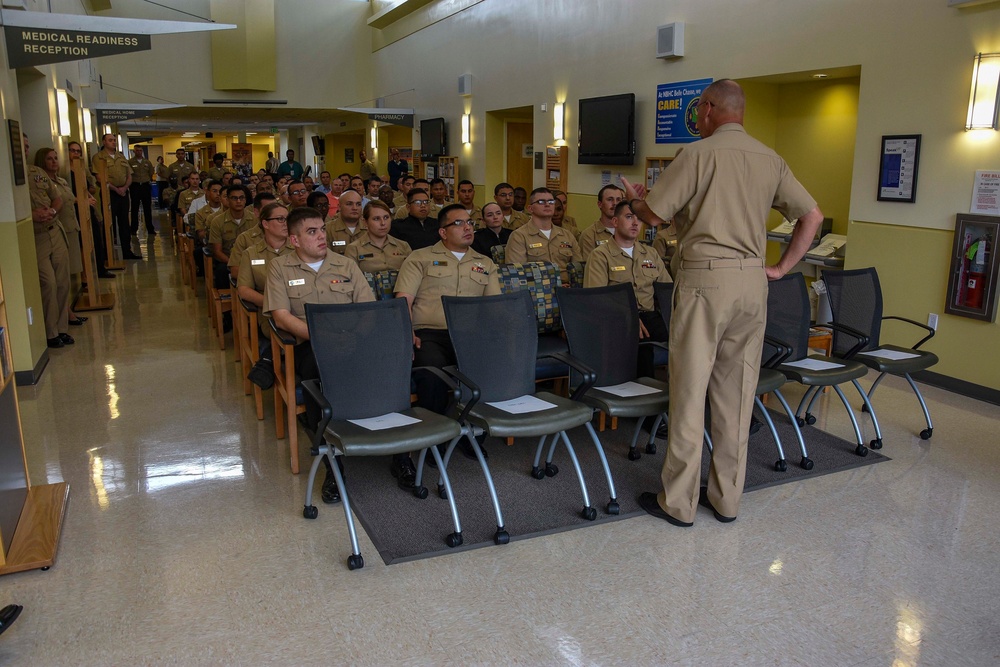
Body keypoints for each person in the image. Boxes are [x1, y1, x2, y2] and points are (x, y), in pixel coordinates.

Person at [624, 79, 824, 527]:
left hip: (705, 282)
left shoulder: (698, 154)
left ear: (711, 108)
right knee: (737, 395)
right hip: (753, 283)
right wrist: (781, 268)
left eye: (698, 110)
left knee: (691, 392)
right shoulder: (770, 158)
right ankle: (727, 500)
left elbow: (656, 216)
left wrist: (637, 202)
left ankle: (678, 503)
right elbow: (812, 215)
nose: (696, 118)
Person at [263, 206, 374, 500]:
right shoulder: (280, 268)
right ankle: (331, 464)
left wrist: (354, 338)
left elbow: (368, 309)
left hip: (353, 342)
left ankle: (396, 453)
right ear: (295, 240)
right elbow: (281, 315)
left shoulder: (346, 265)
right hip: (308, 344)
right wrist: (320, 337)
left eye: (322, 229)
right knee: (316, 378)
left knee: (384, 366)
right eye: (312, 232)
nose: (321, 236)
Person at [395, 203, 501, 462]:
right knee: (432, 370)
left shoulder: (485, 263)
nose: (468, 227)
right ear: (442, 232)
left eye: (470, 223)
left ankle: (471, 433)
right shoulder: (419, 257)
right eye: (459, 223)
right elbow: (402, 301)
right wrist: (407, 334)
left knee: (491, 366)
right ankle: (434, 439)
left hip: (470, 336)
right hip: (429, 333)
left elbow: (494, 309)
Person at [583, 201, 671, 377]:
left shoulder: (650, 253)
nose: (635, 223)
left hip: (651, 315)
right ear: (615, 222)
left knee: (689, 336)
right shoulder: (601, 256)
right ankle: (644, 394)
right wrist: (628, 316)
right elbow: (596, 297)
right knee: (640, 341)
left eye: (638, 218)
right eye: (629, 217)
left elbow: (667, 289)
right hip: (618, 317)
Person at [238, 201, 295, 391]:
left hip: (299, 304)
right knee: (284, 327)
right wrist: (273, 303)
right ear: (265, 223)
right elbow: (244, 289)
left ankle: (268, 361)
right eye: (280, 219)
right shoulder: (251, 253)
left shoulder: (299, 249)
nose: (286, 223)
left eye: (288, 219)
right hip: (269, 310)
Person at [27, 139, 71, 348]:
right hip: (36, 235)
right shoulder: (10, 174)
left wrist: (52, 211)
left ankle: (62, 329)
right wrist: (32, 215)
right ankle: (50, 331)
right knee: (48, 282)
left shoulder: (39, 173)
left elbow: (57, 198)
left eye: (27, 145)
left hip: (55, 229)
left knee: (62, 282)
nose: (25, 149)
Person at [39, 148, 88, 327]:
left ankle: (67, 313)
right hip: (56, 231)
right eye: (49, 159)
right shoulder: (43, 184)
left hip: (69, 228)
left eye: (55, 158)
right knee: (57, 279)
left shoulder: (61, 181)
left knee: (65, 276)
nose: (53, 161)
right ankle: (65, 315)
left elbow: (69, 200)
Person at [504, 187, 581, 283]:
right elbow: (517, 273)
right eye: (541, 202)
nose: (547, 204)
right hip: (537, 290)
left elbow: (578, 268)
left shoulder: (567, 235)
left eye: (551, 202)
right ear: (530, 208)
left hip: (568, 289)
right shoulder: (519, 236)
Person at [67, 141, 113, 279]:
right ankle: (84, 277)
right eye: (72, 150)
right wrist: (81, 200)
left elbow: (87, 187)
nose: (75, 153)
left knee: (96, 239)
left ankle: (100, 269)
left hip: (88, 207)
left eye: (78, 151)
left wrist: (89, 196)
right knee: (82, 243)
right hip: (75, 210)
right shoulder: (65, 171)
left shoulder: (81, 169)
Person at [92, 133, 140, 260]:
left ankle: (127, 251)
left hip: (123, 192)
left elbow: (129, 175)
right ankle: (108, 253)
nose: (113, 142)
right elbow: (99, 177)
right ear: (104, 142)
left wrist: (124, 188)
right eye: (110, 140)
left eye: (114, 140)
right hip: (110, 193)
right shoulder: (99, 157)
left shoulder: (121, 156)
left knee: (124, 222)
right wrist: (115, 189)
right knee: (109, 222)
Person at [346, 200, 411, 273]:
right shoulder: (354, 249)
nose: (383, 223)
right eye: (376, 219)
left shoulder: (403, 246)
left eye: (386, 217)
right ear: (365, 222)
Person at [578, 185, 624, 260]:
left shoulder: (627, 231)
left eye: (618, 200)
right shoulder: (589, 235)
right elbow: (589, 266)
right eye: (610, 199)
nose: (615, 203)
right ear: (600, 204)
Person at [325, 189, 366, 253]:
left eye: (358, 204)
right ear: (339, 207)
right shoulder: (328, 229)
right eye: (349, 204)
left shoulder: (369, 227)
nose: (355, 208)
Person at [128, 146, 155, 236]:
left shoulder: (147, 162)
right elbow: (128, 174)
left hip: (145, 186)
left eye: (140, 150)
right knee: (134, 208)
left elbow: (151, 173)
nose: (139, 152)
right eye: (137, 151)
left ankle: (150, 229)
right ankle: (133, 229)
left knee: (147, 208)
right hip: (135, 186)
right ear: (134, 151)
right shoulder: (130, 162)